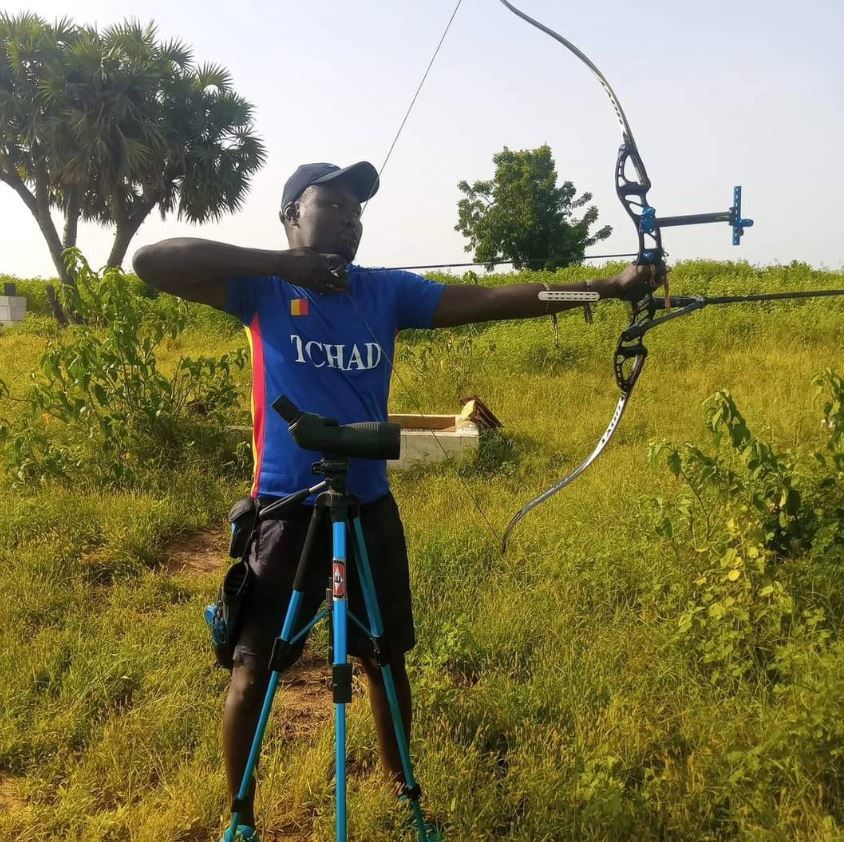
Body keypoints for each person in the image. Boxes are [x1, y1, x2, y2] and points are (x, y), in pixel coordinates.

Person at [132, 160, 664, 841]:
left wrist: (605, 287)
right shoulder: (258, 288)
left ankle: (405, 796)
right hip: (287, 507)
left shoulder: (384, 293)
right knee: (253, 669)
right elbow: (154, 261)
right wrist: (286, 268)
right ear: (292, 215)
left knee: (383, 660)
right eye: (334, 204)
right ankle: (240, 817)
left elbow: (498, 299)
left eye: (359, 210)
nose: (352, 218)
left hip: (368, 503)